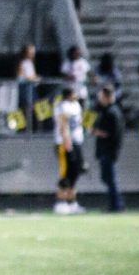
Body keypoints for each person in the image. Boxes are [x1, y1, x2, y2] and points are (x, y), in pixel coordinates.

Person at [53, 83, 85, 214]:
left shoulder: (76, 105)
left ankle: (71, 202)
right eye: (74, 92)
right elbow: (63, 126)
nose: (77, 94)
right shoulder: (62, 106)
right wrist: (68, 145)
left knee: (75, 172)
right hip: (64, 143)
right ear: (69, 94)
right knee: (65, 173)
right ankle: (60, 202)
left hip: (76, 141)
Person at [93, 84, 125, 213]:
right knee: (106, 178)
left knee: (110, 179)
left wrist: (96, 132)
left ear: (106, 96)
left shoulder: (112, 112)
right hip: (106, 150)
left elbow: (112, 133)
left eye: (101, 96)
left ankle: (117, 205)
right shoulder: (107, 110)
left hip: (108, 150)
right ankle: (116, 203)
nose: (99, 98)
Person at [16, 43, 38, 128]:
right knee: (26, 108)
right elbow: (21, 77)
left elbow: (32, 75)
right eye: (30, 52)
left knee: (34, 107)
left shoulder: (30, 63)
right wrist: (32, 78)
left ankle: (33, 127)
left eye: (33, 52)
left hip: (32, 88)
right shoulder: (22, 63)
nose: (32, 54)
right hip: (25, 88)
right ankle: (25, 128)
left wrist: (36, 78)